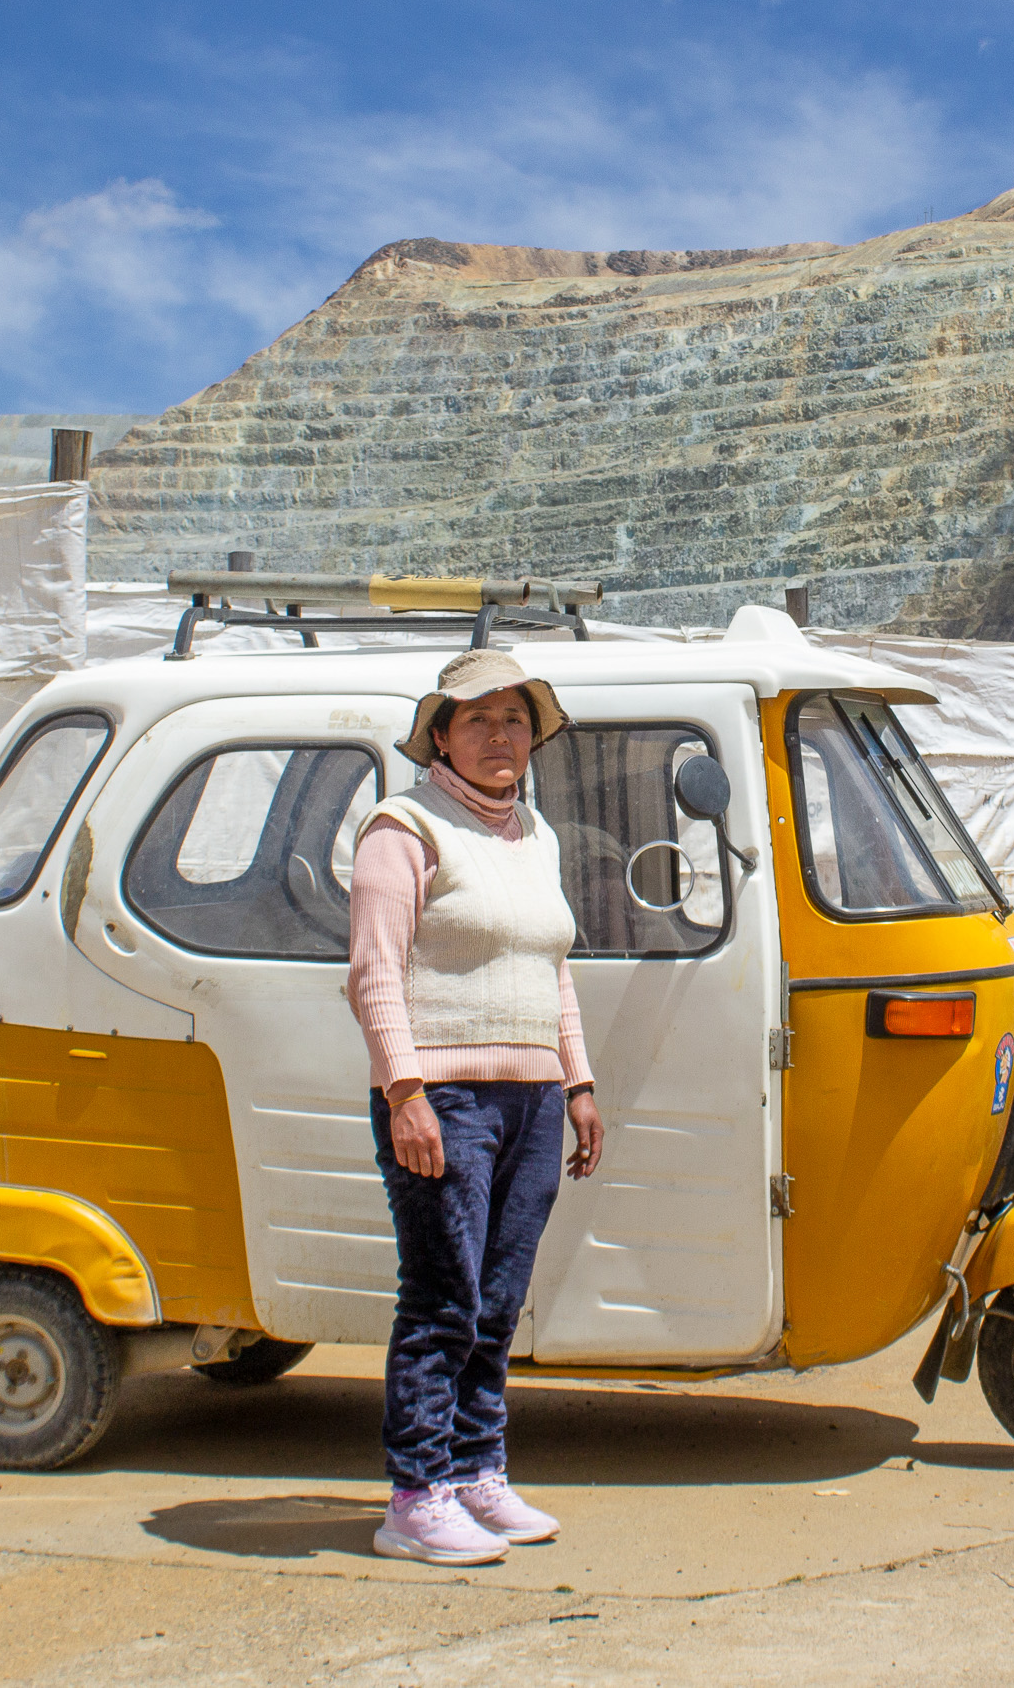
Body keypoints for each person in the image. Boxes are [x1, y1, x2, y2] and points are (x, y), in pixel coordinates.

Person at [347, 648, 605, 1566]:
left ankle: (476, 1471)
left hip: (532, 1098)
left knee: (498, 1300)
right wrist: (405, 1091)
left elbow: (552, 968)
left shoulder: (535, 835)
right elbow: (374, 975)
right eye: (480, 719)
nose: (501, 737)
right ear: (442, 736)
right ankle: (415, 1495)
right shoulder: (402, 827)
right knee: (443, 1295)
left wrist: (577, 1082)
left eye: (516, 720)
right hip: (443, 1096)